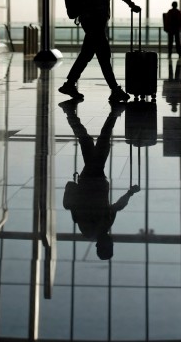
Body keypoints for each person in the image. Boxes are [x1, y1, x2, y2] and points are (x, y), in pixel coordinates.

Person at [58, 0, 141, 103]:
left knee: (87, 53)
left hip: (100, 20)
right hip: (90, 19)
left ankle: (69, 84)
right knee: (104, 53)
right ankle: (115, 89)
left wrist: (131, 4)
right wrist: (86, 10)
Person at [61, 100, 139, 260]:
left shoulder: (96, 229)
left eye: (109, 245)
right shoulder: (95, 230)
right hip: (91, 180)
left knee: (102, 141)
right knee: (88, 141)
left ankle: (114, 112)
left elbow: (115, 207)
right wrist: (129, 193)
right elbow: (115, 207)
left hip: (92, 180)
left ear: (101, 245)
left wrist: (130, 193)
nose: (111, 242)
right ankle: (69, 111)